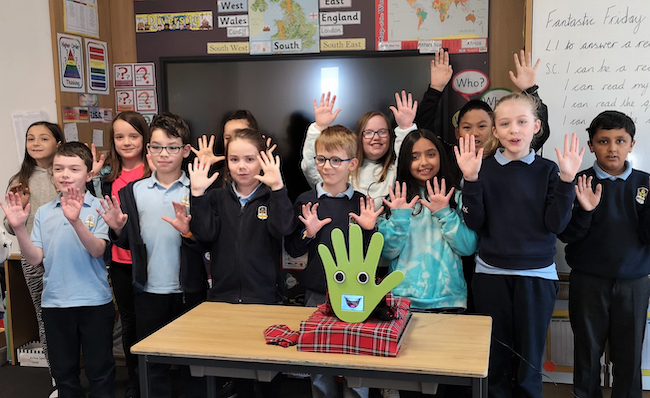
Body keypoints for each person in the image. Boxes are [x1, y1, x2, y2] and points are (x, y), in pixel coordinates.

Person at [455, 92, 583, 398]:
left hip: (537, 277)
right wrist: (470, 179)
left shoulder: (549, 170)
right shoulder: (480, 168)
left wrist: (567, 180)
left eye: (522, 122)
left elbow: (557, 225)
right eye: (505, 123)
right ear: (495, 131)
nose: (514, 130)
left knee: (529, 362)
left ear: (536, 126)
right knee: (495, 360)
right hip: (490, 276)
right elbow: (475, 223)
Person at [98, 112, 208, 398]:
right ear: (148, 150)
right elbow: (125, 239)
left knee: (193, 363)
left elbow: (208, 241)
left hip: (190, 290)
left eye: (172, 147)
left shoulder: (198, 190)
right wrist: (117, 230)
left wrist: (190, 233)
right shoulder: (134, 191)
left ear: (185, 151)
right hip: (148, 290)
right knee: (153, 362)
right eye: (157, 146)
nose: (164, 154)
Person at [2, 142, 114, 397]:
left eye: (74, 169)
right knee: (64, 373)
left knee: (100, 370)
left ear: (89, 174)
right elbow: (34, 259)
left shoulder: (99, 207)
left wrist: (75, 221)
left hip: (94, 303)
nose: (65, 174)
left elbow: (98, 250)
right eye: (59, 168)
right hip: (55, 304)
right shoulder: (44, 212)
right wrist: (20, 228)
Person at [189, 128, 294, 397]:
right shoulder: (216, 197)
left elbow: (283, 228)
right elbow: (206, 234)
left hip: (264, 297)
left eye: (249, 159)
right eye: (234, 159)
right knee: (239, 370)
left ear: (262, 160)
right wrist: (198, 195)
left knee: (270, 369)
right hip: (224, 297)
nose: (242, 166)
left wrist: (278, 188)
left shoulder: (272, 197)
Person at [286, 125, 383, 398]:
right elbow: (293, 249)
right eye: (321, 159)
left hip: (355, 291)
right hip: (318, 290)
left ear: (352, 164)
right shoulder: (306, 201)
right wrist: (308, 233)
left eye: (336, 160)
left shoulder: (362, 203)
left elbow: (369, 255)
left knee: (356, 355)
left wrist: (368, 229)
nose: (327, 166)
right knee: (319, 358)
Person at [558, 110, 650, 398]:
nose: (612, 148)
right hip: (588, 281)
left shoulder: (645, 184)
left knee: (629, 355)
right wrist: (586, 211)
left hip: (634, 282)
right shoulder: (578, 182)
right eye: (603, 141)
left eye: (620, 141)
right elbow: (566, 234)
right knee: (587, 352)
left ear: (632, 144)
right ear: (591, 145)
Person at [378, 129, 477, 311]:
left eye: (431, 154)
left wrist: (445, 213)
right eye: (414, 157)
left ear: (441, 156)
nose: (424, 163)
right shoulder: (396, 201)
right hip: (401, 300)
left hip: (449, 300)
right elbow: (387, 252)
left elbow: (468, 247)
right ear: (405, 161)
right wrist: (399, 218)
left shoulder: (456, 198)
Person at [89, 111, 151, 398]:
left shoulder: (154, 168)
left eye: (133, 136)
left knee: (157, 320)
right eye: (119, 137)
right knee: (130, 322)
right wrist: (90, 179)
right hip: (121, 262)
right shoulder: (106, 176)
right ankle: (135, 380)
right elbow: (92, 210)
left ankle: (160, 375)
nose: (126, 142)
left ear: (144, 137)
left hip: (154, 261)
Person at [3, 121, 63, 397]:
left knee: (77, 316)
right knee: (45, 316)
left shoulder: (65, 174)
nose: (36, 143)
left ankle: (76, 372)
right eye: (30, 138)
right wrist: (19, 213)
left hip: (67, 256)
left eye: (43, 138)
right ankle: (56, 377)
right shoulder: (20, 180)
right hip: (33, 258)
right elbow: (9, 224)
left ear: (58, 143)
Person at [416, 49, 550, 158]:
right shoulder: (450, 156)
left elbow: (539, 134)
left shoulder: (508, 154)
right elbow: (423, 130)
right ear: (457, 132)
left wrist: (530, 90)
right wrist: (435, 90)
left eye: (481, 126)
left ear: (494, 129)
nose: (475, 133)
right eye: (467, 128)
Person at [301, 91, 417, 205]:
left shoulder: (394, 171)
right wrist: (319, 127)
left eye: (382, 132)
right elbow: (311, 169)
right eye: (369, 132)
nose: (376, 137)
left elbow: (407, 161)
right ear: (359, 137)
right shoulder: (344, 169)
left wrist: (405, 129)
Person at [192, 109, 259, 189]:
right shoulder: (218, 175)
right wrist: (206, 167)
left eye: (241, 134)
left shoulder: (268, 179)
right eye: (228, 138)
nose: (234, 141)